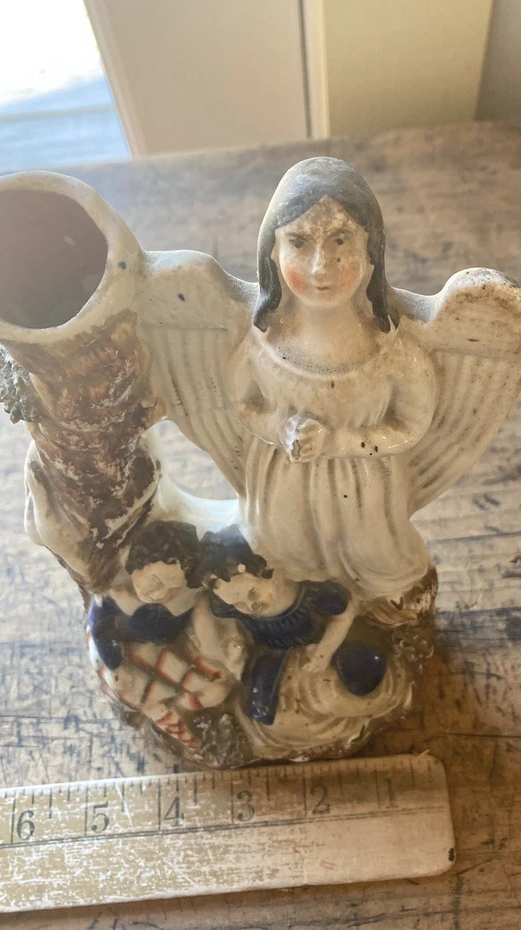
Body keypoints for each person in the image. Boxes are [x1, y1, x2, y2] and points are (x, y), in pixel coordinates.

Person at [233, 157, 436, 601]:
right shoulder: (261, 344)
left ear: (371, 251)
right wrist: (281, 428)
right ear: (273, 251)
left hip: (363, 493)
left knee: (384, 567)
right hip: (284, 485)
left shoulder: (392, 354)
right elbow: (244, 405)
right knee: (284, 557)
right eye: (299, 242)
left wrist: (342, 441)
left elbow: (412, 424)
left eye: (340, 240)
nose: (320, 266)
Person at [199, 526, 387, 725]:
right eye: (238, 604)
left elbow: (343, 614)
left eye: (253, 593)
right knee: (259, 708)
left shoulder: (310, 591)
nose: (251, 607)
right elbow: (226, 622)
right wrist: (233, 640)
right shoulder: (229, 605)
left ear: (265, 571)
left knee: (364, 672)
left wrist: (325, 650)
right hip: (271, 649)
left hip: (319, 639)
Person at [87, 520, 245, 743]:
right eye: (155, 583)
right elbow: (99, 628)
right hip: (135, 644)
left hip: (178, 639)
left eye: (174, 588)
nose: (161, 595)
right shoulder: (117, 593)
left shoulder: (190, 593)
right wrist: (113, 662)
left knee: (214, 682)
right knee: (138, 689)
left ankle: (195, 702)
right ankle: (172, 714)